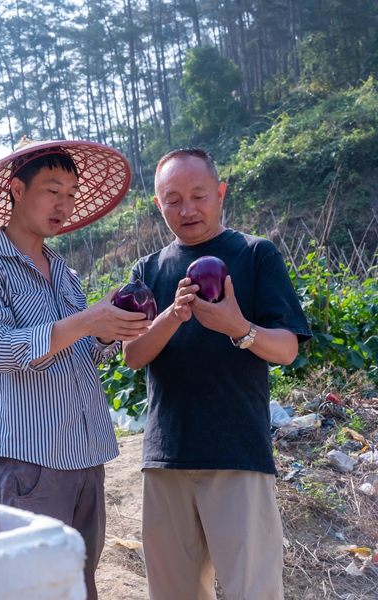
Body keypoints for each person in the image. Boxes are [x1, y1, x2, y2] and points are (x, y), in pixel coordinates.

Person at [0, 139, 150, 600]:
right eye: (52, 190)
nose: (64, 204)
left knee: (80, 582)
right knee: (34, 586)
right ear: (17, 190)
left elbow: (82, 353)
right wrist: (86, 321)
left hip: (87, 455)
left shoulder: (64, 271)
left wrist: (108, 332)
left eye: (72, 194)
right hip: (30, 461)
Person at [123, 148, 311, 600]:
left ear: (220, 193)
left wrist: (238, 327)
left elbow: (286, 349)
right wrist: (170, 316)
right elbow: (133, 355)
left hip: (237, 454)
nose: (187, 209)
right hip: (166, 456)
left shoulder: (254, 254)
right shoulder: (148, 270)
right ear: (158, 204)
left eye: (199, 195)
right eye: (172, 199)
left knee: (254, 591)